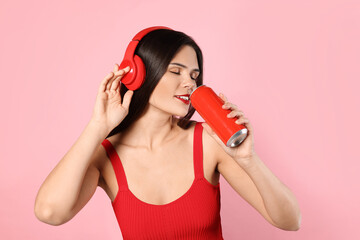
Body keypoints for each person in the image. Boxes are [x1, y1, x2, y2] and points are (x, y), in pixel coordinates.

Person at [34, 27, 301, 239]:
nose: (189, 83)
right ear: (139, 75)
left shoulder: (209, 141)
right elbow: (49, 212)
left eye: (195, 75)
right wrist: (96, 127)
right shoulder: (105, 156)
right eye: (176, 71)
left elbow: (289, 221)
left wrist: (248, 159)